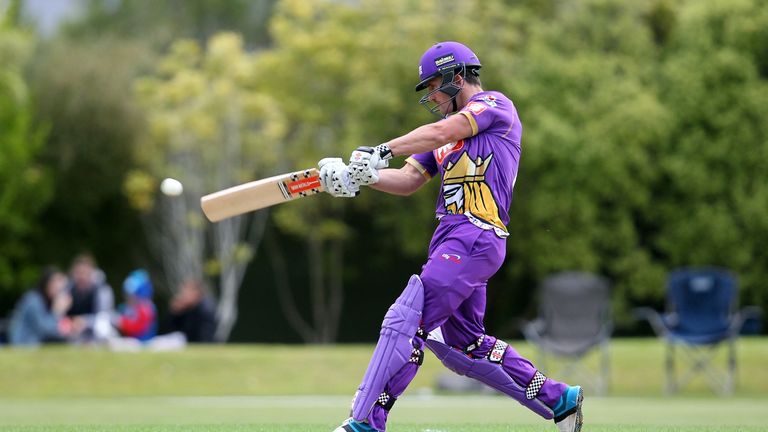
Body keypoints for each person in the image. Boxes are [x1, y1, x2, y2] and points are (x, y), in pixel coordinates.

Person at [318, 42, 583, 432]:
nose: (431, 97)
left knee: (407, 320)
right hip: (451, 237)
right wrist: (363, 178)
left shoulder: (495, 106)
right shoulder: (440, 138)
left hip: (475, 233)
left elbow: (444, 129)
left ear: (456, 78)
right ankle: (559, 399)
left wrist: (381, 150)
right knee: (464, 346)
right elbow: (408, 180)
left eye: (433, 88)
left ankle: (366, 423)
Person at [9, 267, 83, 346]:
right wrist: (57, 312)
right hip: (25, 344)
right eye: (56, 284)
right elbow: (45, 330)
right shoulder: (33, 300)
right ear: (47, 283)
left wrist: (71, 327)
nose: (60, 289)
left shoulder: (48, 301)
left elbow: (57, 329)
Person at [66, 254, 115, 342]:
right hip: (73, 331)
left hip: (95, 331)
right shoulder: (68, 290)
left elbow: (105, 316)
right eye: (78, 273)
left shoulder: (102, 290)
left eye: (84, 273)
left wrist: (84, 321)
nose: (81, 277)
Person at [113, 269, 157, 342]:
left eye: (132, 295)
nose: (129, 298)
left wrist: (123, 323)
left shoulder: (146, 308)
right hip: (130, 341)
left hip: (143, 341)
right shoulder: (125, 307)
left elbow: (140, 328)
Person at [168, 279, 217, 343]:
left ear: (196, 293)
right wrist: (175, 313)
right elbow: (174, 330)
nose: (183, 295)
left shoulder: (205, 309)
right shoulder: (188, 307)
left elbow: (205, 337)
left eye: (186, 292)